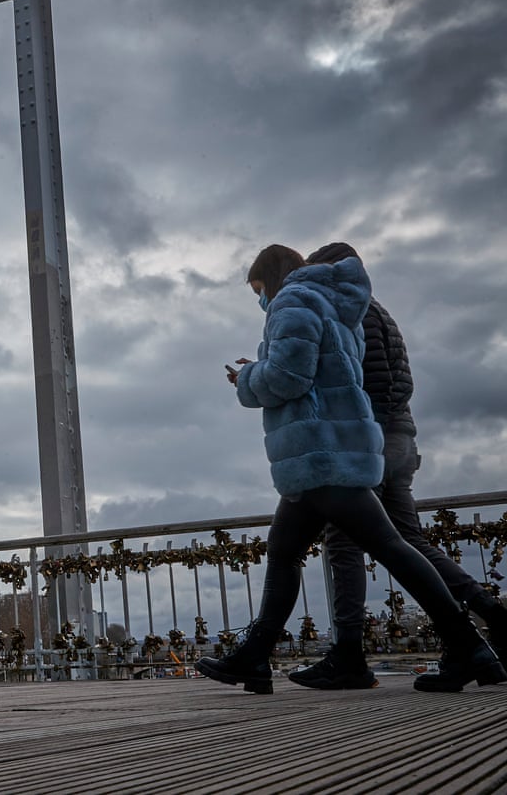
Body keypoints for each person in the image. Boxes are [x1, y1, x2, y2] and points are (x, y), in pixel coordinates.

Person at [197, 244, 505, 693]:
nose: (261, 301)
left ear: (273, 278)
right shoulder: (341, 307)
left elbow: (289, 377)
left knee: (389, 546)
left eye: (259, 290)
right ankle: (255, 657)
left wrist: (247, 378)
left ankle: (470, 646)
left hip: (318, 451)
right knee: (292, 549)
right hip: (336, 448)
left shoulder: (293, 301)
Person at [288, 243, 507, 690]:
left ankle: (348, 654)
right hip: (402, 436)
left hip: (368, 440)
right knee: (409, 540)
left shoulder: (345, 312)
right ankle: (491, 618)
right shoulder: (379, 311)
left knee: (343, 542)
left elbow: (343, 381)